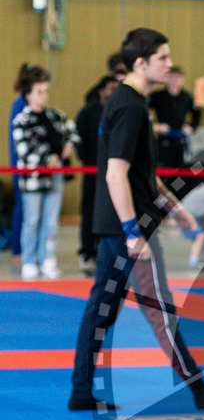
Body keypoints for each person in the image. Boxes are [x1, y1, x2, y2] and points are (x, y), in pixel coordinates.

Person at [69, 27, 204, 412]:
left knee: (103, 308)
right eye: (163, 58)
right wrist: (132, 232)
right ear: (141, 63)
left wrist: (173, 207)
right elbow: (115, 173)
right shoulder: (129, 106)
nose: (169, 64)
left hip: (122, 225)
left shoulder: (130, 103)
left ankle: (80, 390)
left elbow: (140, 172)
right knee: (157, 307)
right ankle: (197, 388)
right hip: (127, 228)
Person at [12, 65, 78, 280]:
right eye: (39, 91)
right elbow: (23, 151)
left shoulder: (55, 115)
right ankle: (29, 260)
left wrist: (68, 147)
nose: (44, 96)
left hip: (55, 176)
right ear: (28, 94)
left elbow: (73, 131)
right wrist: (45, 158)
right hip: (33, 179)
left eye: (45, 91)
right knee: (32, 220)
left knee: (50, 221)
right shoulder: (21, 120)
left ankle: (48, 258)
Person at [75, 74, 119, 275]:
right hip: (92, 170)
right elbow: (78, 138)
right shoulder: (88, 113)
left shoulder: (119, 112)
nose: (113, 93)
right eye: (110, 88)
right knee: (89, 211)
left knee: (109, 212)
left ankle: (105, 253)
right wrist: (88, 160)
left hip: (114, 171)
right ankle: (87, 251)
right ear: (102, 91)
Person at [149, 66, 201, 170]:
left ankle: (175, 186)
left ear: (182, 80)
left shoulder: (187, 97)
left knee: (180, 173)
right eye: (171, 77)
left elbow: (197, 113)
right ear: (166, 78)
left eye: (177, 78)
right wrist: (155, 125)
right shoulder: (157, 96)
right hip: (163, 139)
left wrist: (191, 127)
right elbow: (143, 110)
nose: (174, 81)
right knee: (163, 171)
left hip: (180, 139)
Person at [8, 65, 29, 275]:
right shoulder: (21, 105)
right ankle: (18, 249)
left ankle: (24, 249)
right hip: (21, 164)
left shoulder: (22, 103)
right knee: (22, 207)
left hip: (23, 164)